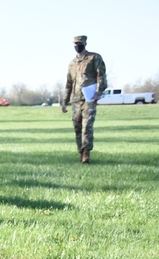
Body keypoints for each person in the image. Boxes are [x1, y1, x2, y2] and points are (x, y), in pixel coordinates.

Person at [62, 35, 107, 164]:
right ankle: (80, 152)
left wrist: (98, 92)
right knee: (77, 126)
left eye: (79, 43)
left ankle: (86, 153)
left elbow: (101, 76)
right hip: (75, 100)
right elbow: (68, 84)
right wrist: (64, 102)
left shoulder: (94, 58)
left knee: (87, 126)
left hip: (89, 98)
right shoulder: (72, 63)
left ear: (85, 43)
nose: (77, 46)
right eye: (75, 44)